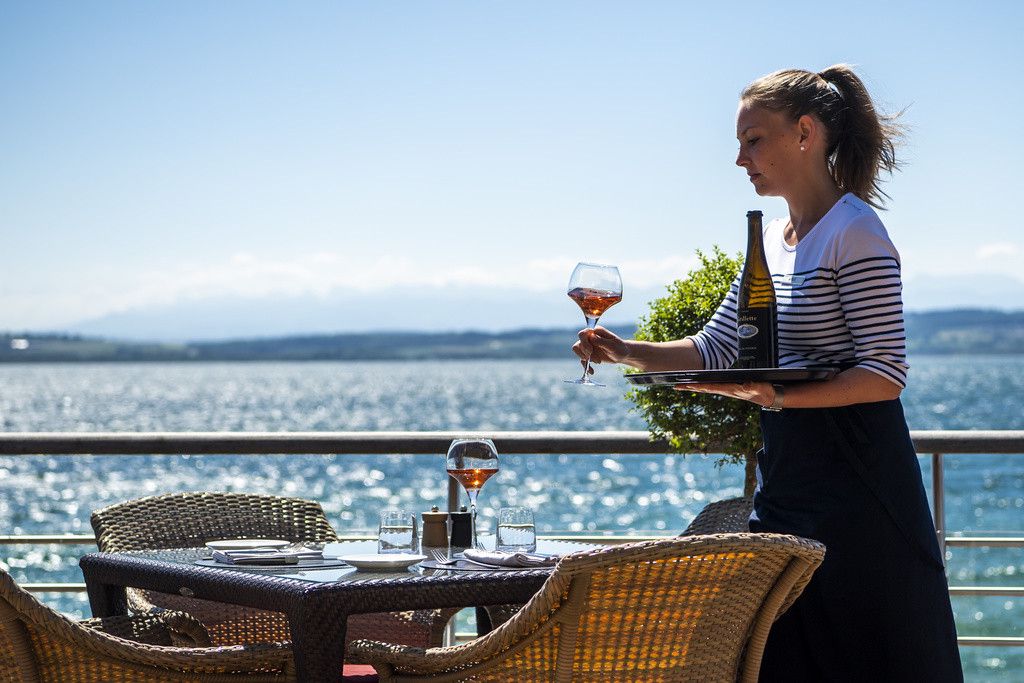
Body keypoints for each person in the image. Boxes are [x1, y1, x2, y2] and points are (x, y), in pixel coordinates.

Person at [573, 64, 963, 681]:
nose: (739, 158)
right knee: (782, 655)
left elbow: (884, 375)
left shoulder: (856, 232)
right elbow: (715, 346)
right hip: (789, 477)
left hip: (859, 483)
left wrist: (777, 397)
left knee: (871, 657)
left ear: (805, 133)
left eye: (753, 139)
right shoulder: (775, 242)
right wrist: (625, 351)